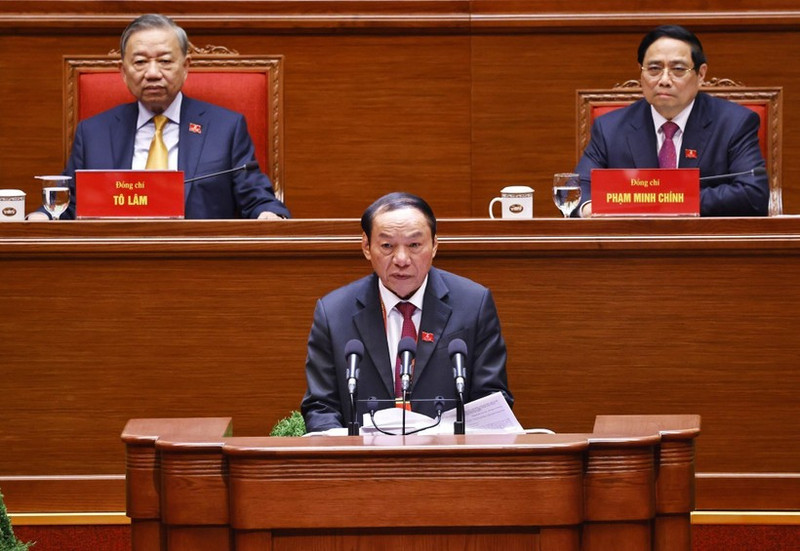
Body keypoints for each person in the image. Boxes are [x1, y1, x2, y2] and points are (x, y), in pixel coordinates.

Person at [29, 13, 289, 221]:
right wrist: (42, 217)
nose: (153, 73)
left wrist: (268, 214)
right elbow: (69, 205)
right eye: (140, 62)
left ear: (186, 66)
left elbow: (256, 196)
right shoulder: (94, 133)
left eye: (165, 61)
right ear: (122, 70)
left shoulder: (226, 128)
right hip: (114, 265)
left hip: (200, 265)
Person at [301, 192, 513, 432]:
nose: (401, 259)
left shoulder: (474, 304)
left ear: (434, 245)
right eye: (387, 246)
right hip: (365, 464)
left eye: (414, 245)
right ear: (366, 247)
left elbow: (491, 399)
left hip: (448, 462)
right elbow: (321, 407)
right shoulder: (333, 313)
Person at [575, 24, 768, 217]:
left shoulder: (734, 123)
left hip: (704, 241)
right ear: (640, 73)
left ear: (700, 75)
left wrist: (667, 200)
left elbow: (753, 194)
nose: (665, 80)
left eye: (678, 69)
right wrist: (588, 208)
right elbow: (576, 192)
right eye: (654, 69)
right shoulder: (610, 128)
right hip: (632, 241)